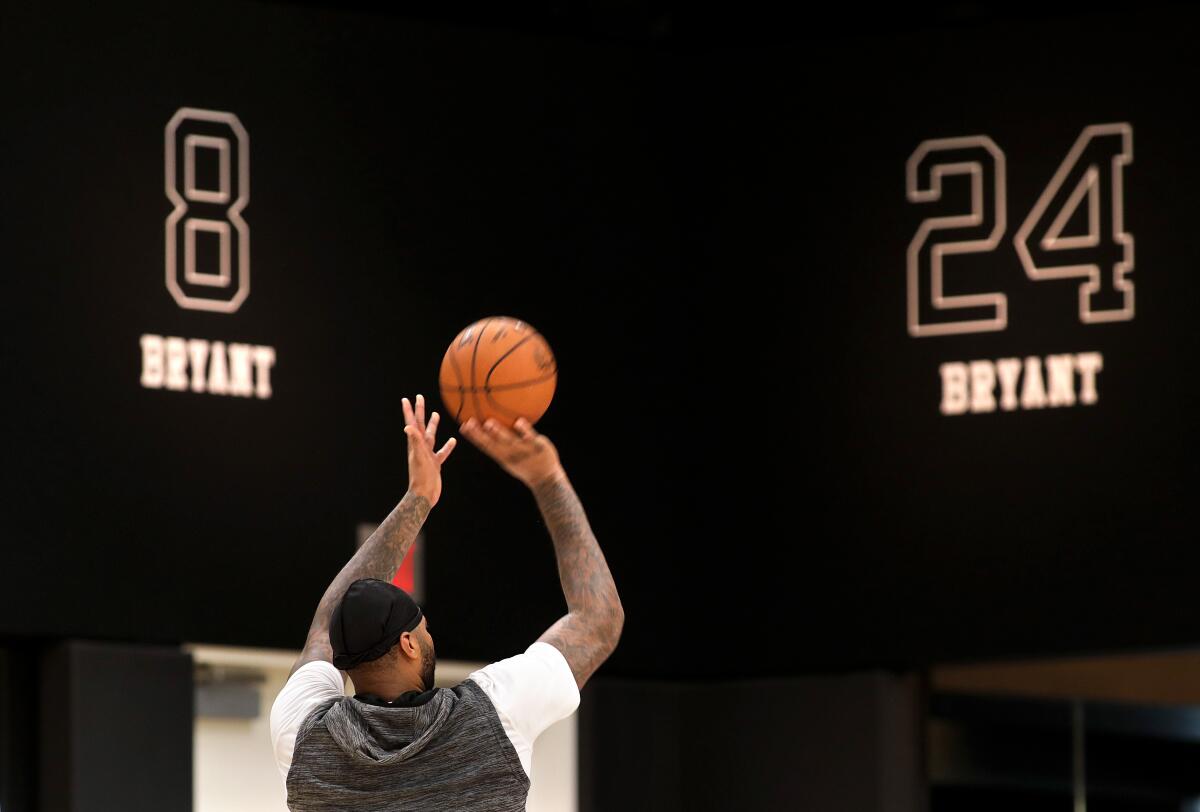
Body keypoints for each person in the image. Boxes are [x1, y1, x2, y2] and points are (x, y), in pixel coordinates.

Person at [269, 394, 624, 811]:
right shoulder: (493, 715)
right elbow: (597, 619)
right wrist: (547, 478)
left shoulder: (303, 737)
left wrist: (417, 498)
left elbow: (322, 631)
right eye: (425, 628)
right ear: (408, 644)